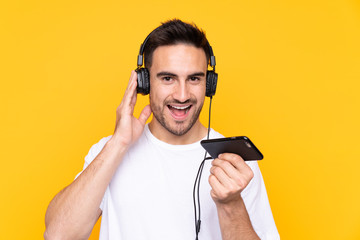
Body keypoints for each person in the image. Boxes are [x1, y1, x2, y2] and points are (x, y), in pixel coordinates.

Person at [44, 19, 280, 240]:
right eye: (168, 78)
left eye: (194, 79)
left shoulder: (235, 163)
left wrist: (231, 204)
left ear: (209, 84)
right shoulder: (110, 152)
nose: (182, 95)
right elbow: (57, 235)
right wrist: (118, 144)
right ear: (144, 83)